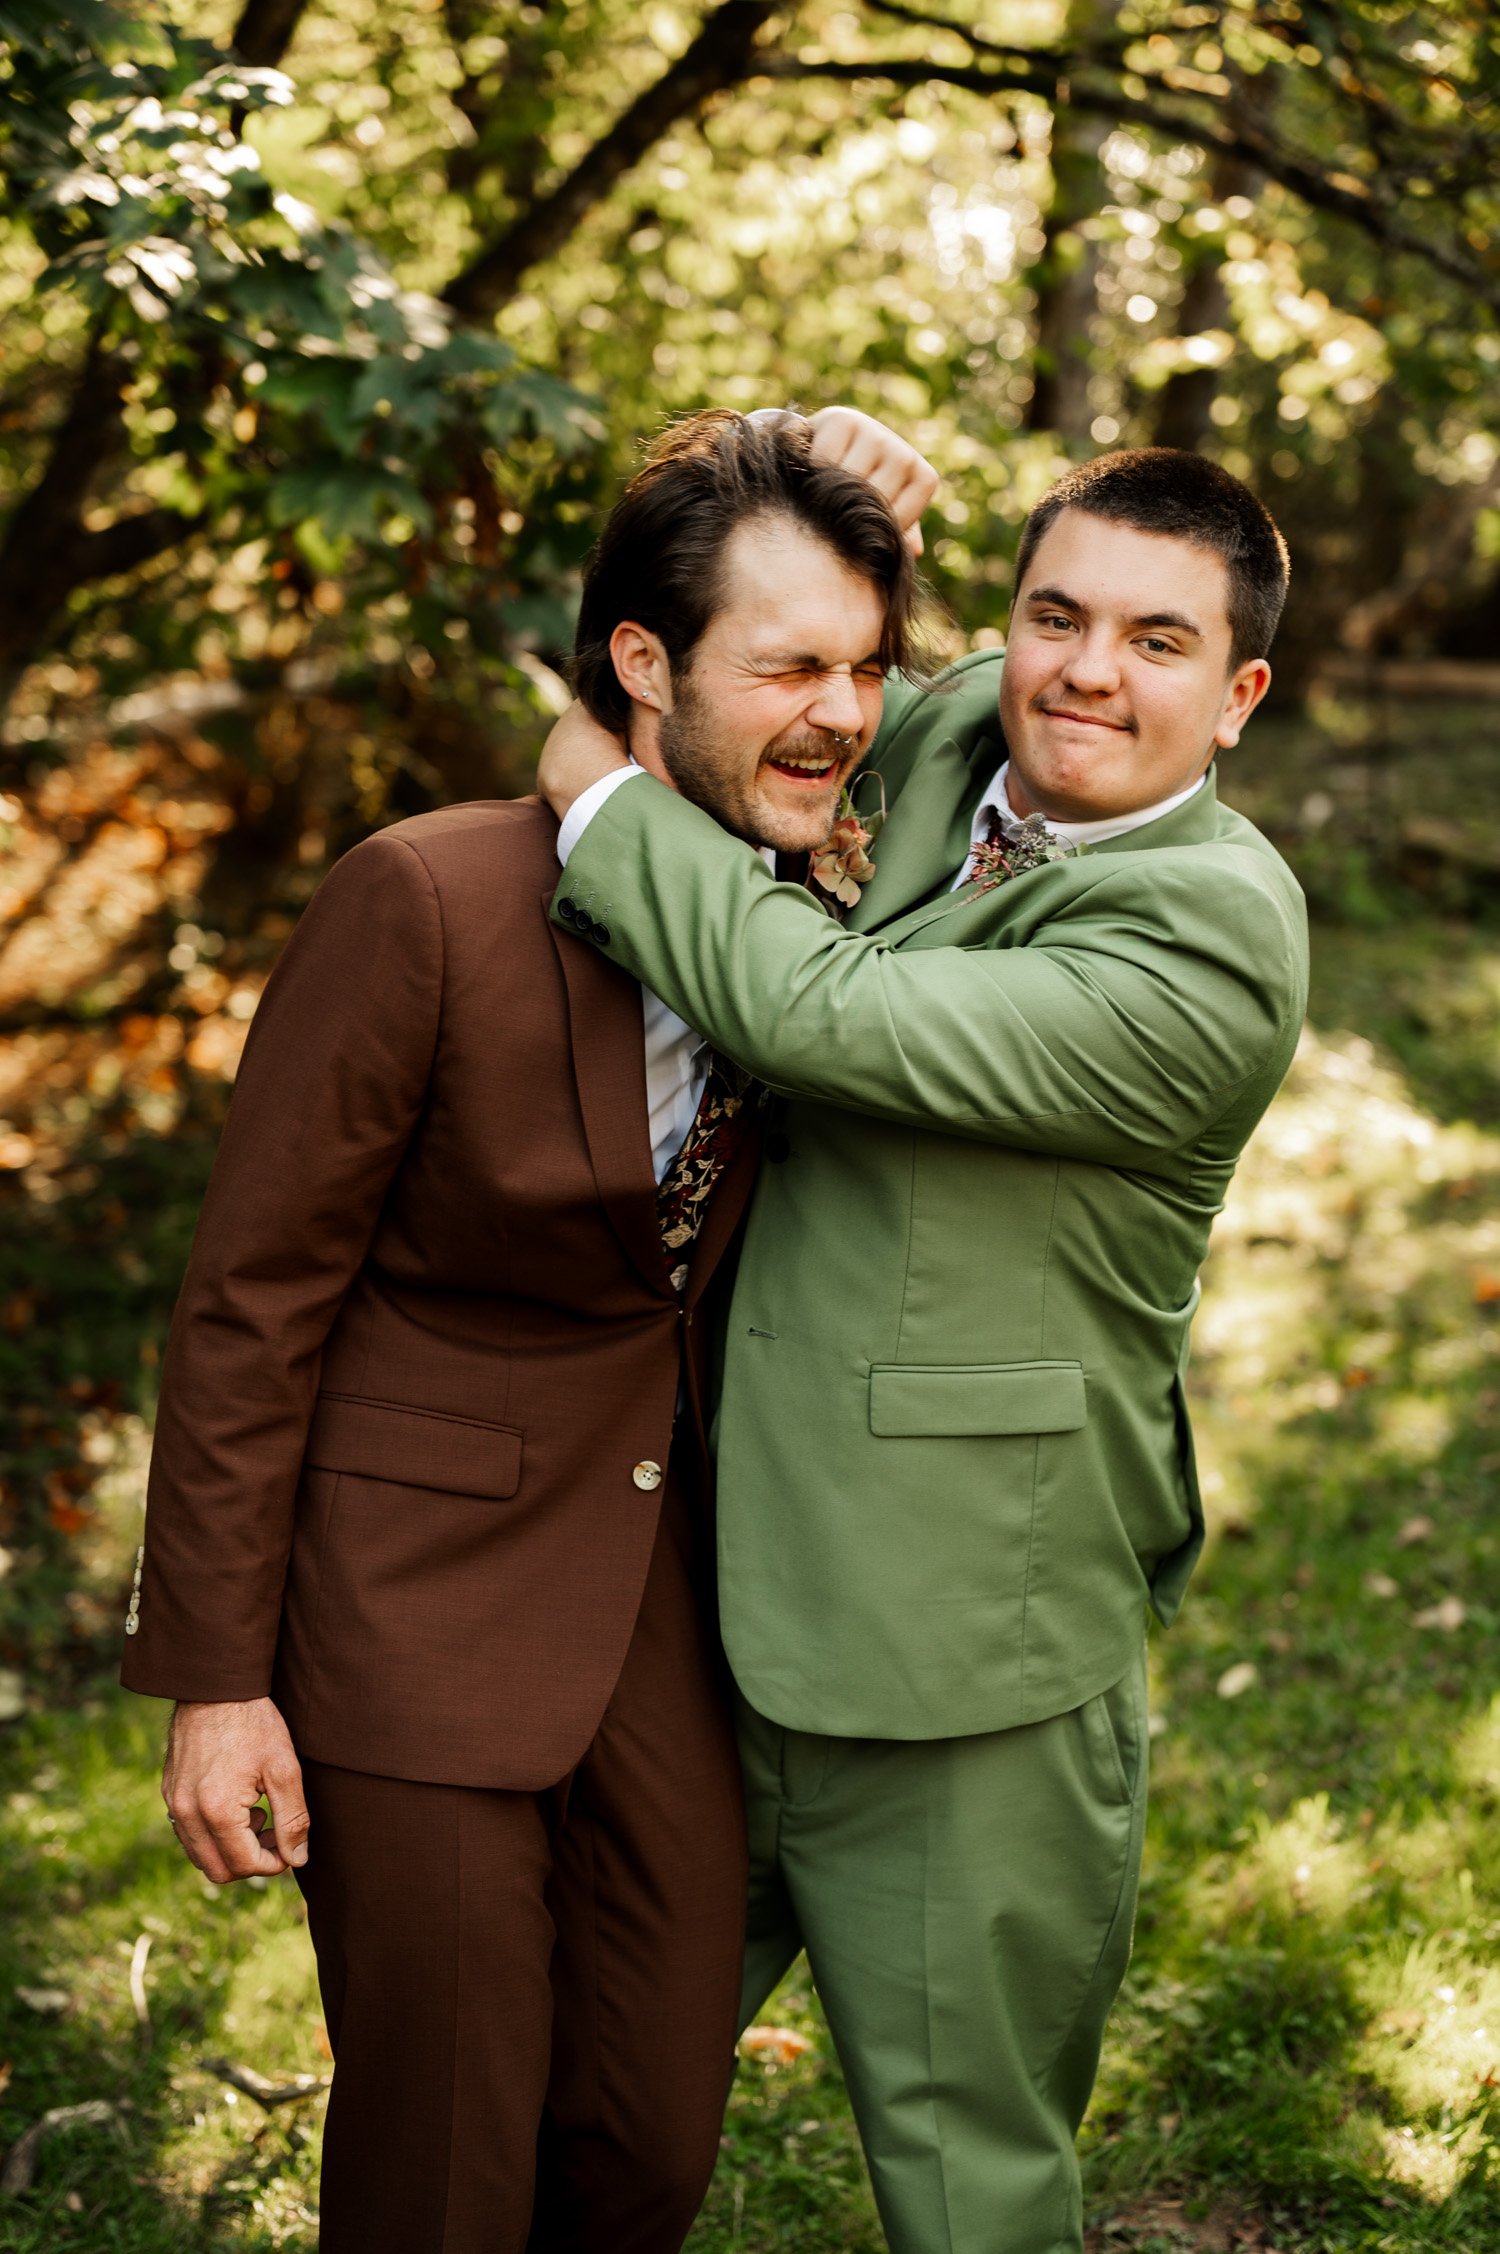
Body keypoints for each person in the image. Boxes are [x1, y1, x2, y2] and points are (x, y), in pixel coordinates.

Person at [119, 408, 932, 2254]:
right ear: (643, 666)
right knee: (447, 2155)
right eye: (791, 663)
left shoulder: (820, 914)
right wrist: (218, 1680)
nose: (842, 711)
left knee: (647, 2131)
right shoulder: (425, 896)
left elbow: (1007, 769)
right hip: (403, 1591)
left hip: (661, 1598)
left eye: (868, 666)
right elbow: (252, 1302)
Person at [539, 442, 1311, 2254]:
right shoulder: (961, 722)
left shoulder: (1212, 934)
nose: (1087, 673)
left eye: (1158, 639)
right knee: (579, 2113)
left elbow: (831, 1013)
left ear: (1239, 695)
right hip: (704, 1591)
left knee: (969, 2193)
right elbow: (746, 650)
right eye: (1056, 614)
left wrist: (595, 802)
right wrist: (800, 458)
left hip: (977, 1651)